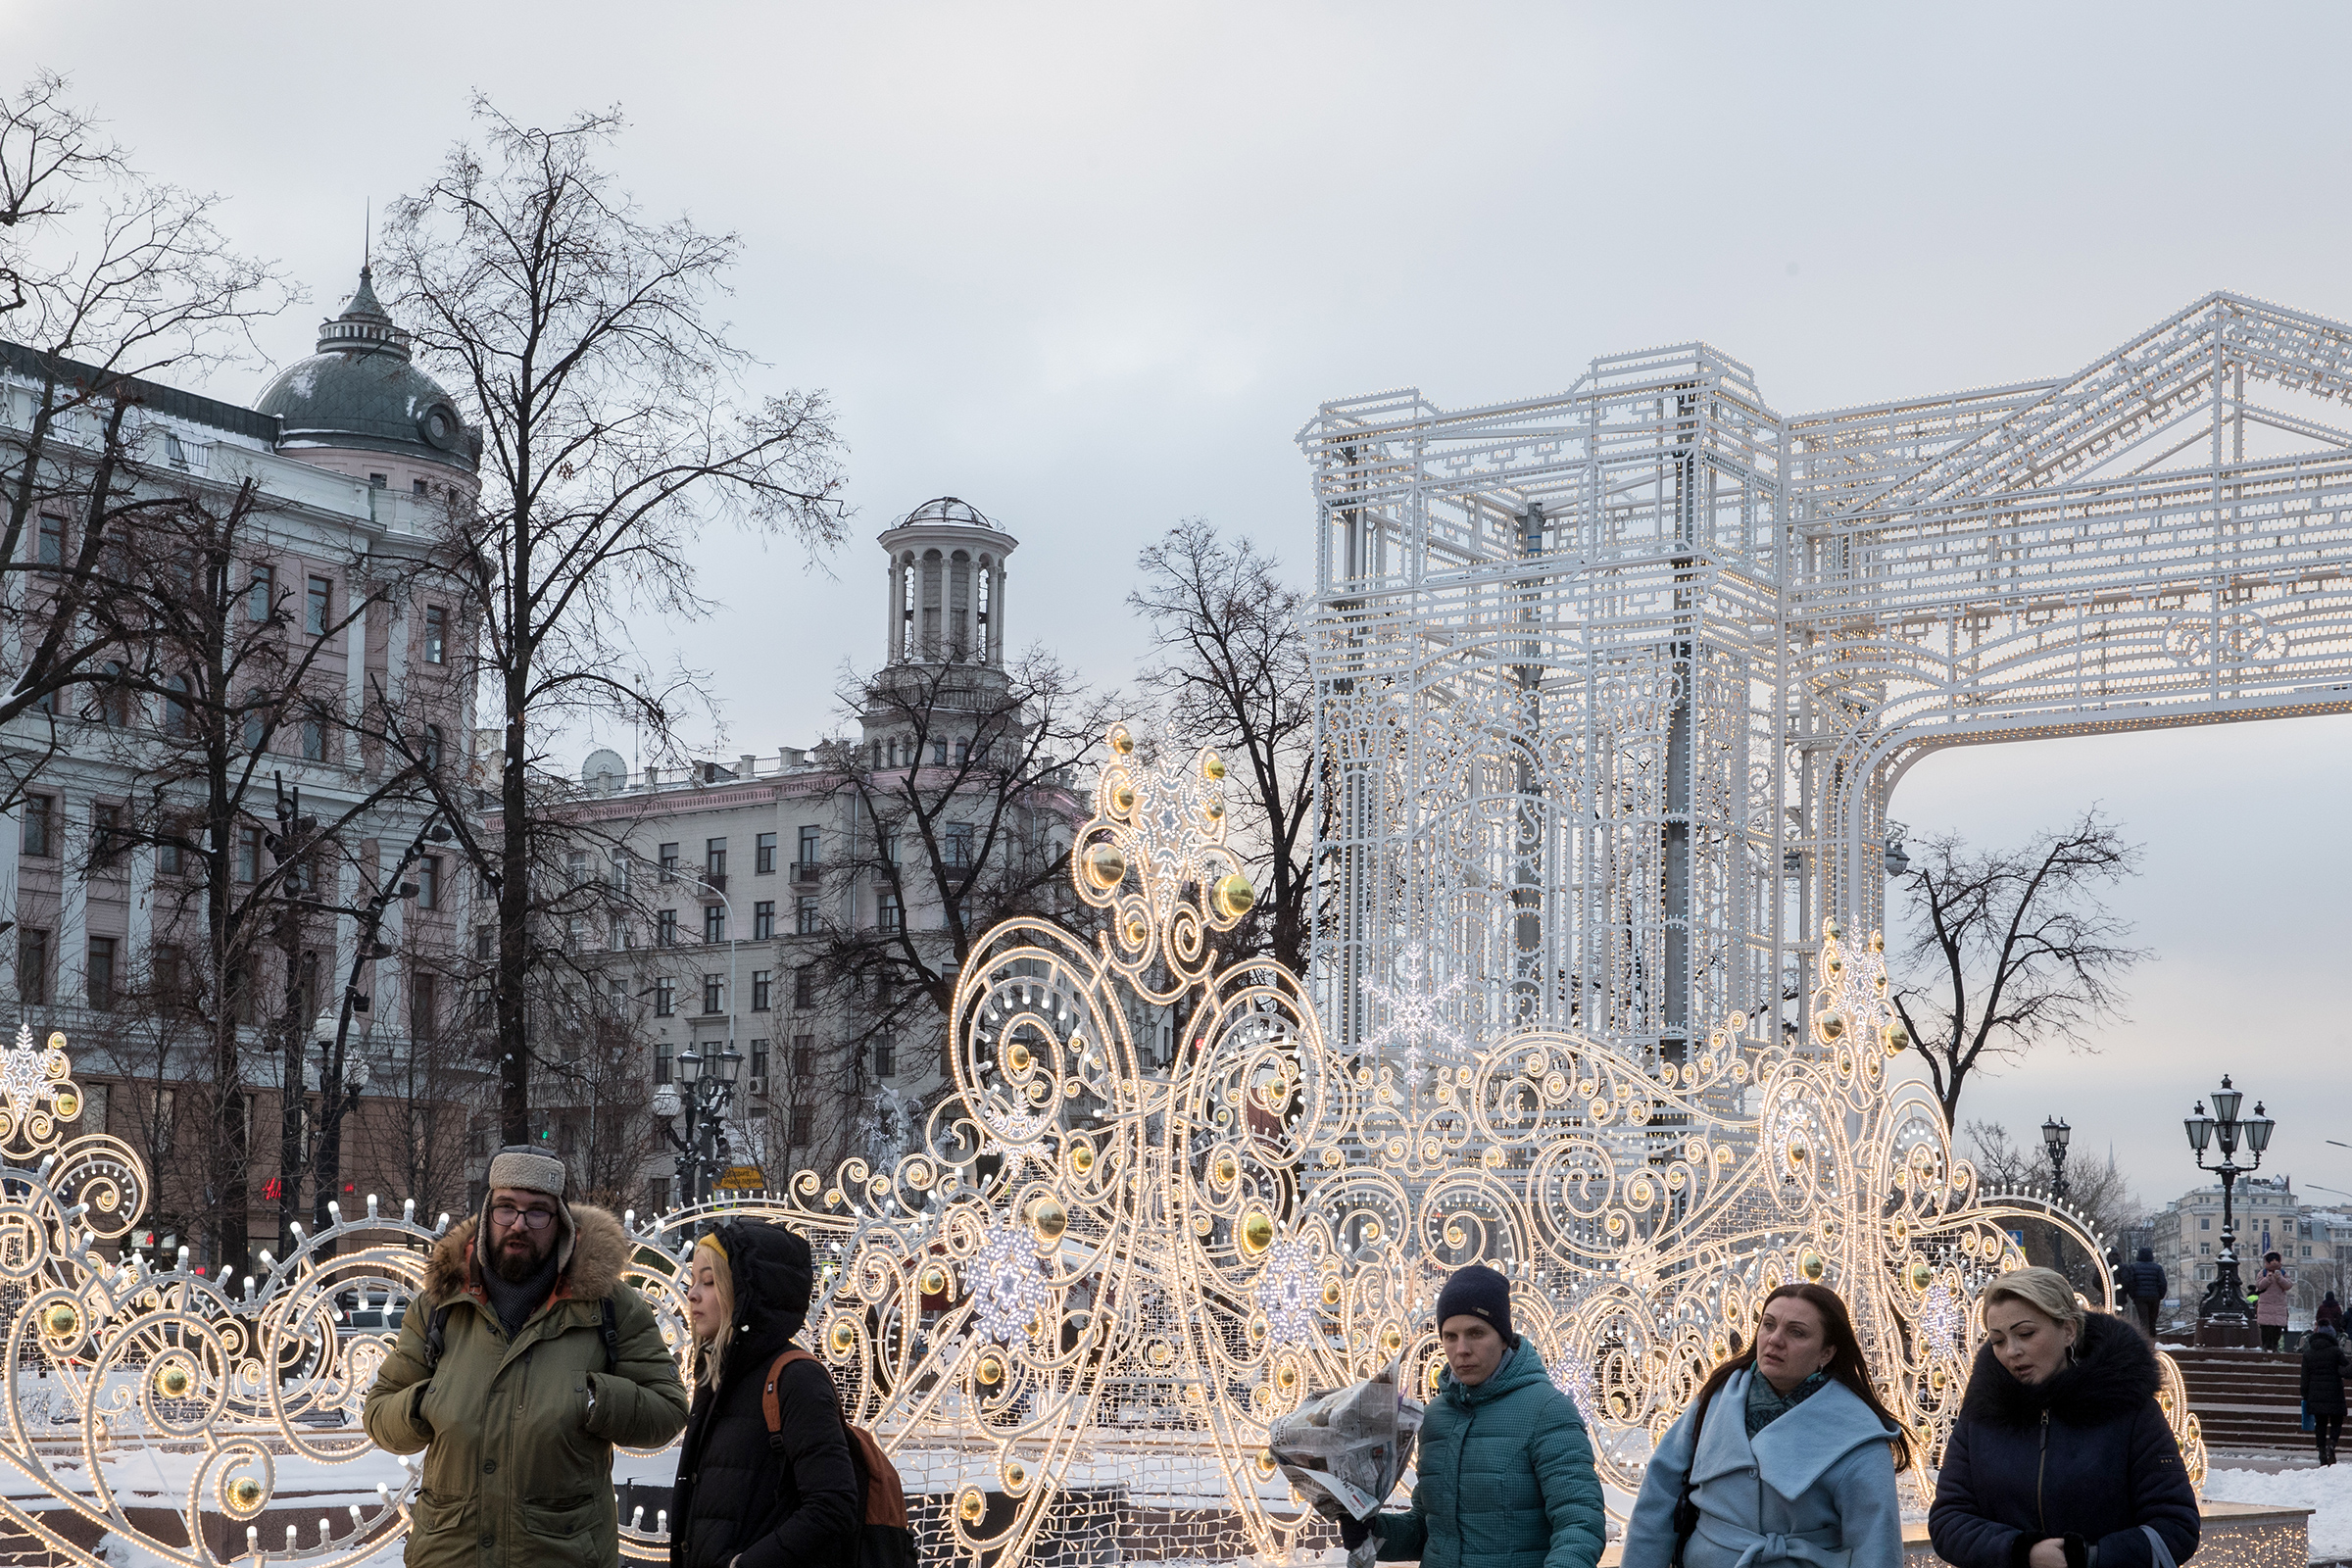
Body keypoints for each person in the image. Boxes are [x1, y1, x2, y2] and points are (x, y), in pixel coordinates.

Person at [364, 1147, 690, 1568]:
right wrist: (425, 1403)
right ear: (486, 1215)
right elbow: (378, 1412)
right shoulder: (440, 1305)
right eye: (506, 1208)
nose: (519, 1223)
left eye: (537, 1212)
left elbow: (667, 1407)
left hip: (563, 1553)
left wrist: (592, 1398)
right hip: (451, 1553)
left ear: (561, 1224)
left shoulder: (611, 1306)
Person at [1622, 1284, 1907, 1568]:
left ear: (1827, 1353)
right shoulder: (1715, 1399)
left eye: (1797, 1332)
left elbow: (1875, 1545)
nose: (1775, 1339)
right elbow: (1658, 1498)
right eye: (1768, 1324)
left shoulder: (1857, 1431)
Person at [1931, 1266, 2198, 1568]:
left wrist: (2087, 1558)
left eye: (2025, 1333)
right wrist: (2022, 1552)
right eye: (1998, 1340)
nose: (2012, 1351)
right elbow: (1948, 1521)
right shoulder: (1982, 1412)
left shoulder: (2128, 1407)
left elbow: (2176, 1527)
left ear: (2068, 1330)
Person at [1342, 1264, 1605, 1568]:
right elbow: (1429, 1529)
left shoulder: (1547, 1410)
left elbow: (1580, 1524)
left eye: (1476, 1333)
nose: (1461, 1349)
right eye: (1450, 1336)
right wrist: (1373, 1533)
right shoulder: (1435, 1417)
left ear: (1504, 1337)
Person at [669, 1221, 858, 1568]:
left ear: (743, 1293)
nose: (692, 1293)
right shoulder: (717, 1377)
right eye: (693, 1281)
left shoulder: (795, 1379)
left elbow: (833, 1505)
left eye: (709, 1281)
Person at [2301, 1321, 2348, 1467]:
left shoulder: (2308, 1353)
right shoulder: (2336, 1352)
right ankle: (2332, 1445)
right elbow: (2347, 1369)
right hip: (2334, 1392)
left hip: (2315, 1394)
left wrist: (2305, 1395)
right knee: (2336, 1422)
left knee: (2320, 1423)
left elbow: (2304, 1378)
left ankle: (2321, 1451)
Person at [2118, 1248, 2167, 1341]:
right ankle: (2153, 1339)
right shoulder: (2157, 1268)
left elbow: (2131, 1282)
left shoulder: (2133, 1267)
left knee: (2143, 1320)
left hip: (2140, 1297)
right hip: (2154, 1297)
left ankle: (2145, 1340)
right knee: (2152, 1319)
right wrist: (2160, 1295)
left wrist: (2133, 1295)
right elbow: (2163, 1283)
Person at [2254, 1252, 2293, 1351]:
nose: (2274, 1262)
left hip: (2279, 1305)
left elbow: (2288, 1285)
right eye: (2272, 1260)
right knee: (2266, 1328)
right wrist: (2268, 1278)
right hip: (2265, 1305)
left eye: (2276, 1260)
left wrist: (2279, 1278)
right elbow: (2259, 1285)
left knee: (2277, 1328)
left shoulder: (2283, 1273)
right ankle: (2265, 1346)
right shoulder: (2263, 1273)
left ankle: (2275, 1346)